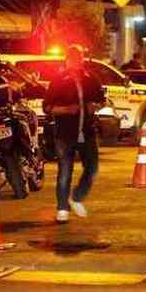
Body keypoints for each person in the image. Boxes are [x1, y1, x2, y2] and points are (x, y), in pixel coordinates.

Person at [43, 45, 105, 222]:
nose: (76, 62)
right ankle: (62, 208)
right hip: (65, 133)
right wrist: (65, 110)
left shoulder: (90, 79)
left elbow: (102, 100)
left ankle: (77, 196)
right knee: (65, 171)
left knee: (92, 168)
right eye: (72, 58)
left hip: (87, 131)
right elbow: (47, 107)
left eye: (79, 58)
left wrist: (96, 106)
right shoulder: (59, 80)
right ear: (67, 60)